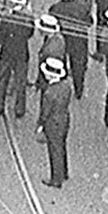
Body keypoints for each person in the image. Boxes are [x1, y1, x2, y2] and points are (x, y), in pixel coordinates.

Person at [38, 52, 74, 187]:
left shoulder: (49, 93)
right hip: (64, 119)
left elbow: (45, 112)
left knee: (54, 150)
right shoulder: (66, 86)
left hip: (52, 124)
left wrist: (41, 124)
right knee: (62, 146)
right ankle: (64, 172)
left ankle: (56, 179)